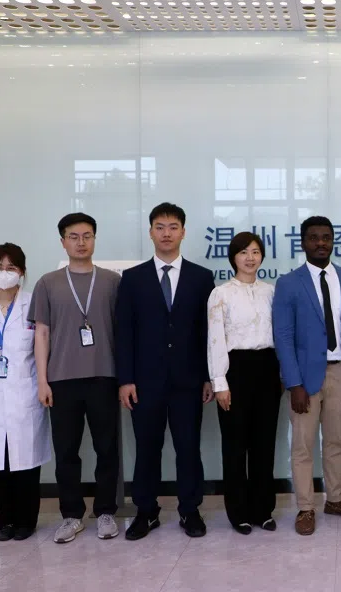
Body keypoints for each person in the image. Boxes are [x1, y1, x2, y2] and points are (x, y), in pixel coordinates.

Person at [115, 202, 215, 540]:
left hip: (189, 380)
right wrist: (126, 379)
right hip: (145, 382)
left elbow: (207, 332)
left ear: (183, 232)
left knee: (188, 447)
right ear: (150, 232)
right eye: (160, 227)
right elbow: (124, 332)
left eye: (173, 227)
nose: (167, 233)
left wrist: (208, 376)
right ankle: (146, 511)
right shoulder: (133, 278)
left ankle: (190, 510)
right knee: (147, 448)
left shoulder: (202, 277)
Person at [30, 213, 122, 544]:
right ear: (63, 242)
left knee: (107, 448)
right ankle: (71, 516)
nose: (81, 242)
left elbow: (123, 332)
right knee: (66, 451)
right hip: (62, 379)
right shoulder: (48, 283)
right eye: (73, 236)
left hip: (104, 376)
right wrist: (43, 381)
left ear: (95, 239)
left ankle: (106, 512)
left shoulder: (112, 281)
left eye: (87, 236)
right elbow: (41, 333)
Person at [273, 216, 341, 536]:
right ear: (303, 242)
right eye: (313, 238)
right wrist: (294, 383)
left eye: (326, 237)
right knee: (303, 445)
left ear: (333, 240)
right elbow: (283, 336)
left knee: (337, 441)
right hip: (304, 378)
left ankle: (335, 499)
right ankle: (305, 507)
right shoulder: (289, 283)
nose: (320, 243)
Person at [0, 244, 50, 541]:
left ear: (22, 272)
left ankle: (27, 520)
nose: (4, 273)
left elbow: (42, 348)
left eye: (11, 268)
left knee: (25, 459)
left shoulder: (34, 303)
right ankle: (6, 520)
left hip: (25, 391)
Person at [207, 232, 282, 536]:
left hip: (268, 368)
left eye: (255, 252)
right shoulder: (221, 293)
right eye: (243, 252)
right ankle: (238, 513)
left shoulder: (271, 292)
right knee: (235, 446)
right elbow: (215, 340)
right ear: (233, 257)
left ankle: (263, 510)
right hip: (235, 370)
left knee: (264, 444)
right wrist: (220, 383)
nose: (250, 258)